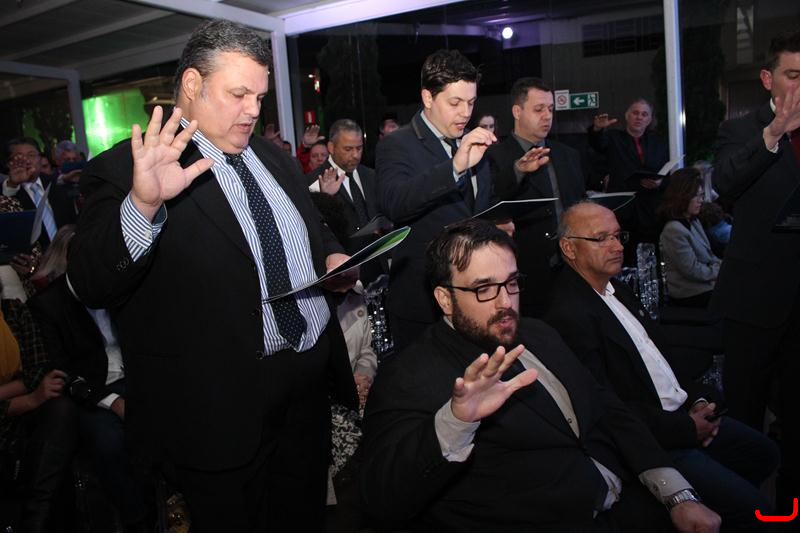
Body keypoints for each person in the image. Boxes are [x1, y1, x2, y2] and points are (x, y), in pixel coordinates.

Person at [66, 19, 357, 532]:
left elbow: (308, 226)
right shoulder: (125, 168)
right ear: (192, 84)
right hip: (218, 407)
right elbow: (90, 280)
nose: (254, 110)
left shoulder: (273, 155)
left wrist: (331, 257)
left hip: (307, 385)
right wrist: (143, 206)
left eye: (259, 97)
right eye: (239, 94)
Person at [360, 219, 721, 532]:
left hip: (627, 498)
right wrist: (454, 423)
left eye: (511, 283)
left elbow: (606, 408)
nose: (505, 303)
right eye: (483, 289)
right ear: (444, 299)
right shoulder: (408, 376)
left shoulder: (539, 333)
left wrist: (675, 492)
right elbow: (382, 500)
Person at [545, 201, 779, 531]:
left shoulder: (616, 288)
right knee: (757, 510)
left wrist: (697, 400)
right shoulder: (568, 313)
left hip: (684, 412)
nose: (617, 246)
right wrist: (686, 428)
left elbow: (661, 359)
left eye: (618, 236)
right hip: (655, 439)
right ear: (569, 248)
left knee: (765, 453)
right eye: (602, 238)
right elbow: (606, 407)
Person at [712, 29, 800, 515]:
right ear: (768, 79)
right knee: (745, 413)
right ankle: (741, 511)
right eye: (793, 75)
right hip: (754, 301)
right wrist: (774, 134)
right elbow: (724, 183)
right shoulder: (742, 131)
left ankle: (790, 507)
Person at [27, 226, 148, 530]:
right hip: (91, 393)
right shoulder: (47, 306)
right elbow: (60, 371)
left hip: (137, 378)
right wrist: (114, 401)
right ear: (71, 260)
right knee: (109, 442)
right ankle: (138, 520)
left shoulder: (120, 287)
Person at [376, 49, 498, 351]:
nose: (465, 113)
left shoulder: (473, 141)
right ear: (428, 97)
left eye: (471, 102)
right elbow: (394, 203)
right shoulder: (397, 144)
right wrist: (454, 167)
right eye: (455, 103)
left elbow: (477, 207)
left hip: (474, 294)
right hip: (422, 300)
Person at [487, 77, 585, 316]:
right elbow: (490, 202)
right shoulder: (494, 157)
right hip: (526, 273)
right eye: (539, 109)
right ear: (517, 111)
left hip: (574, 268)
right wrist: (518, 171)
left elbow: (579, 204)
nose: (547, 116)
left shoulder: (568, 155)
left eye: (550, 109)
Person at [1, 279, 77, 533]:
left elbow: (38, 369)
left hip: (21, 418)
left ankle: (35, 518)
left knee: (61, 408)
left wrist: (25, 396)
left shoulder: (13, 310)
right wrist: (30, 399)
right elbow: (34, 388)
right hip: (14, 412)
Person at [588, 98, 669, 252]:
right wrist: (597, 129)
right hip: (623, 207)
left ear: (649, 120)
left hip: (650, 208)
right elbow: (597, 143)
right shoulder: (613, 138)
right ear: (627, 115)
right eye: (635, 113)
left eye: (644, 114)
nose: (639, 117)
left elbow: (667, 173)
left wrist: (659, 183)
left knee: (650, 252)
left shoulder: (658, 143)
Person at [657, 168, 722, 308]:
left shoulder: (693, 221)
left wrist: (723, 266)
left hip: (707, 285)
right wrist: (720, 271)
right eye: (696, 196)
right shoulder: (673, 230)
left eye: (702, 195)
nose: (701, 200)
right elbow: (692, 270)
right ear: (683, 196)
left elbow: (709, 256)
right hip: (690, 293)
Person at [2, 138, 78, 248]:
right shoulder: (9, 190)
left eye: (31, 155)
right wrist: (13, 184)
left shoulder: (56, 185)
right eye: (19, 157)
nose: (27, 161)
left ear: (40, 159)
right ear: (9, 164)